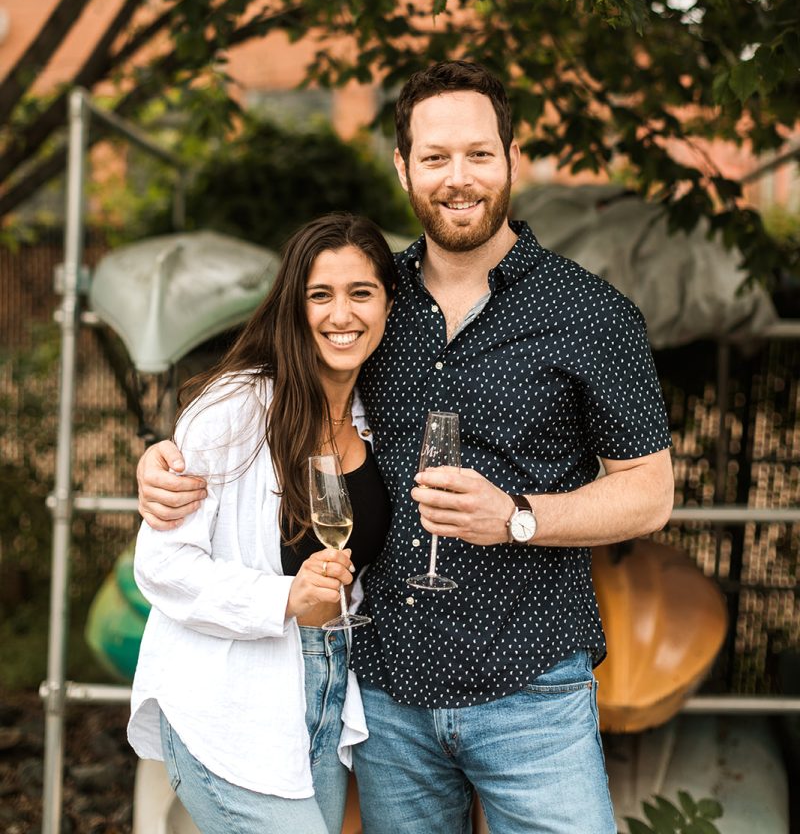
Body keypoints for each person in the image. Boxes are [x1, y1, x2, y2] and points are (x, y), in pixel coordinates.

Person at [138, 61, 675, 834]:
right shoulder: (367, 299)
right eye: (435, 157)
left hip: (532, 693)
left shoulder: (593, 316)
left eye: (479, 154)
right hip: (388, 696)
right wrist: (165, 458)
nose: (459, 178)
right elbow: (265, 390)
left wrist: (516, 516)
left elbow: (650, 492)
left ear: (510, 158)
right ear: (404, 167)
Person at [128, 213, 396, 834]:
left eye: (362, 293)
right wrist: (285, 598)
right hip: (228, 699)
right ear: (291, 305)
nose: (341, 315)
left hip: (327, 685)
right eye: (320, 295)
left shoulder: (376, 414)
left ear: (387, 304)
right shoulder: (234, 410)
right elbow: (163, 565)